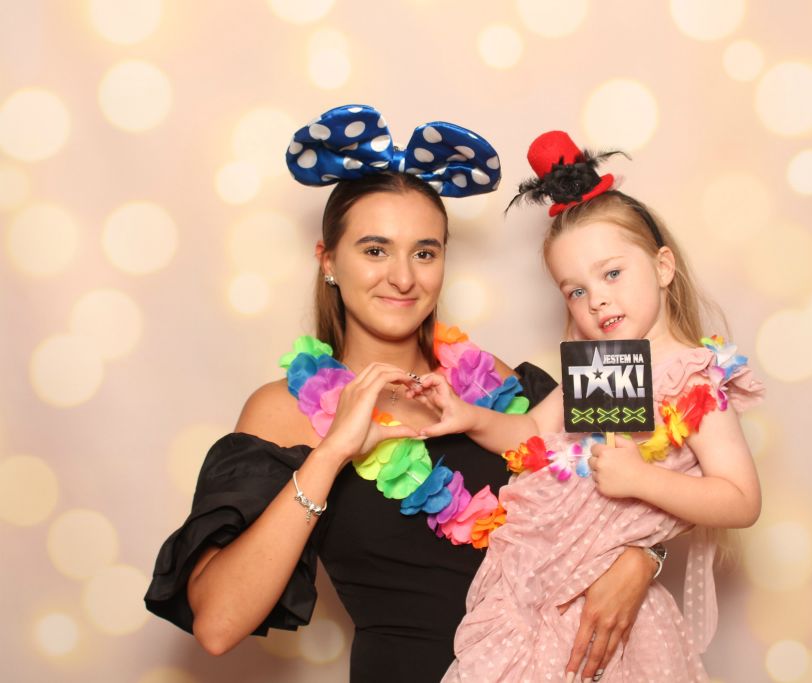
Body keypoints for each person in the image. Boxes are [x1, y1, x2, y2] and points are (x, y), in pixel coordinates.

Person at [144, 106, 662, 683]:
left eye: (424, 252)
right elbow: (218, 626)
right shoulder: (283, 410)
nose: (403, 277)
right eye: (374, 250)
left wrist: (644, 557)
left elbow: (650, 465)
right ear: (328, 261)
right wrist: (332, 452)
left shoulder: (496, 382)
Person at [411, 131, 765, 682]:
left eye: (612, 273)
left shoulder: (693, 380)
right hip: (538, 587)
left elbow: (741, 499)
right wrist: (468, 416)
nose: (596, 298)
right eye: (575, 290)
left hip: (611, 619)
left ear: (663, 266)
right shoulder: (599, 368)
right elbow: (532, 432)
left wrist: (639, 478)